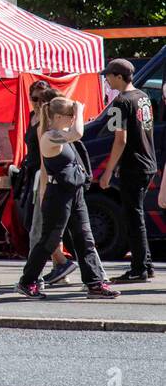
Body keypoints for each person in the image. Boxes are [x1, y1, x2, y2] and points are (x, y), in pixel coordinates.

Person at [17, 98, 120, 299]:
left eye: (73, 116)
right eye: (69, 116)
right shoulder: (49, 136)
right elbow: (78, 132)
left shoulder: (63, 136)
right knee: (50, 240)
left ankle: (95, 282)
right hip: (58, 195)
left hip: (75, 192)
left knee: (85, 238)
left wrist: (76, 112)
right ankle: (27, 281)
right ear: (57, 117)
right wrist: (79, 110)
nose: (73, 119)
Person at [98, 58, 157, 282]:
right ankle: (145, 263)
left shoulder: (121, 101)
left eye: (109, 75)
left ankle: (139, 268)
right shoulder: (142, 97)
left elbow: (119, 139)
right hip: (147, 161)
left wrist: (108, 170)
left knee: (133, 217)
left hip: (133, 165)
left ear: (119, 77)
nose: (106, 79)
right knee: (136, 215)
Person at [20, 83, 75, 285]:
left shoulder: (49, 123)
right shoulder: (32, 118)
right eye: (33, 98)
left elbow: (45, 158)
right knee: (46, 227)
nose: (37, 103)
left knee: (40, 228)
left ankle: (36, 274)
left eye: (42, 99)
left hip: (46, 177)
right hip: (34, 176)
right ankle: (59, 267)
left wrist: (43, 185)